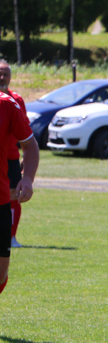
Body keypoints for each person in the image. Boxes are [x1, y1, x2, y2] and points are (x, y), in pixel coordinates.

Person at [0, 62, 39, 295]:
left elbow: (30, 145)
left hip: (1, 197)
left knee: (2, 273)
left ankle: (12, 235)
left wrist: (28, 179)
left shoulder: (8, 105)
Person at [1, 60, 27, 248]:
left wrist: (26, 156)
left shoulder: (16, 100)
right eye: (0, 73)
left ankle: (11, 236)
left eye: (6, 73)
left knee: (13, 197)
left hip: (11, 157)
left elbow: (26, 131)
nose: (2, 77)